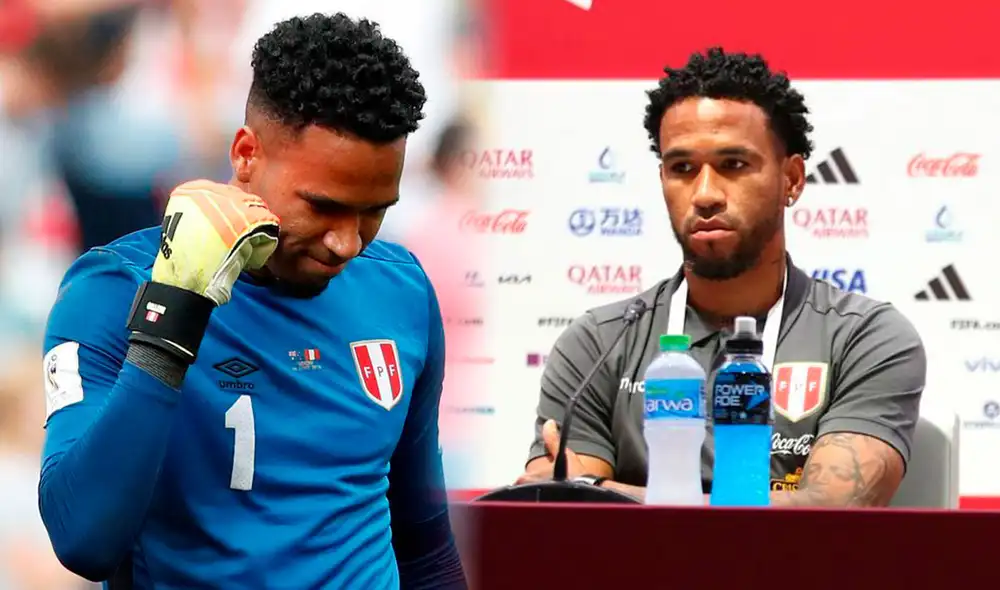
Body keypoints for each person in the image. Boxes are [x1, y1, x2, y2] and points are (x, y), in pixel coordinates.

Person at [38, 12, 467, 589]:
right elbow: (82, 539)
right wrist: (176, 309)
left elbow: (424, 541)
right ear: (245, 155)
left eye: (374, 210)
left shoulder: (401, 289)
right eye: (323, 205)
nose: (348, 242)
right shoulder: (112, 290)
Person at [518, 47, 926, 508]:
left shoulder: (865, 337)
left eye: (733, 165)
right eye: (682, 169)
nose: (706, 194)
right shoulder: (598, 343)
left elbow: (831, 510)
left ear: (791, 178)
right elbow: (565, 512)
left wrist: (614, 493)